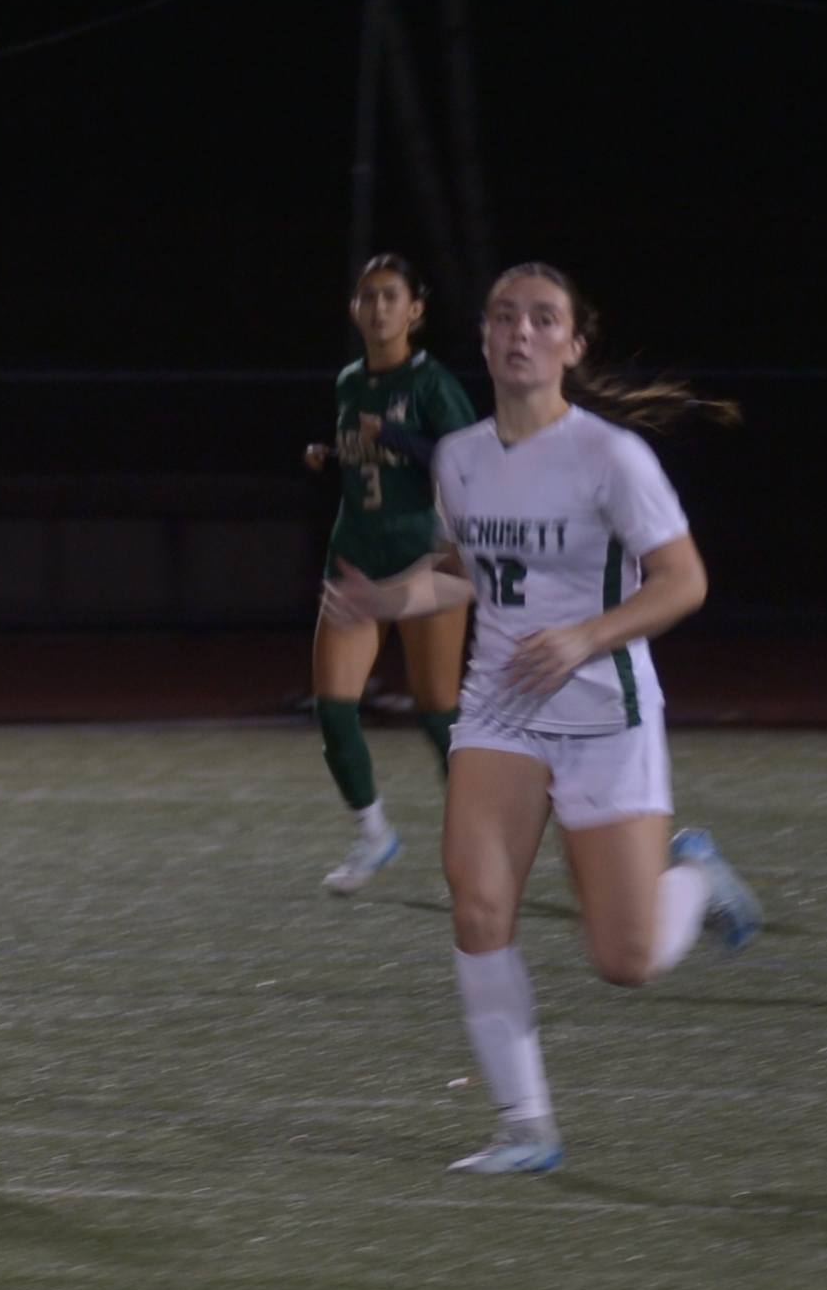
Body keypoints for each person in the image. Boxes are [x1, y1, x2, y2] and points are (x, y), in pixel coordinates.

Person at [325, 262, 762, 1174]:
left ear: (573, 345)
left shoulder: (611, 457)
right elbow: (467, 572)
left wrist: (585, 637)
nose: (520, 331)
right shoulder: (459, 457)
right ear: (484, 340)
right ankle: (526, 1126)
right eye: (503, 317)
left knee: (626, 961)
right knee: (479, 906)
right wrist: (388, 599)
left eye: (542, 318)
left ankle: (696, 876)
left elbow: (684, 581)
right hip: (502, 706)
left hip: (606, 711)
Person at [303, 253, 479, 892]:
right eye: (368, 296)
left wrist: (398, 439)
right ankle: (373, 833)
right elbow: (371, 463)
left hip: (424, 563)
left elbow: (471, 462)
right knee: (334, 709)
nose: (378, 307)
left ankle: (485, 838)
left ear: (415, 310)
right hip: (354, 557)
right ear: (355, 308)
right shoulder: (350, 381)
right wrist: (334, 456)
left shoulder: (432, 383)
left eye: (391, 296)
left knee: (438, 715)